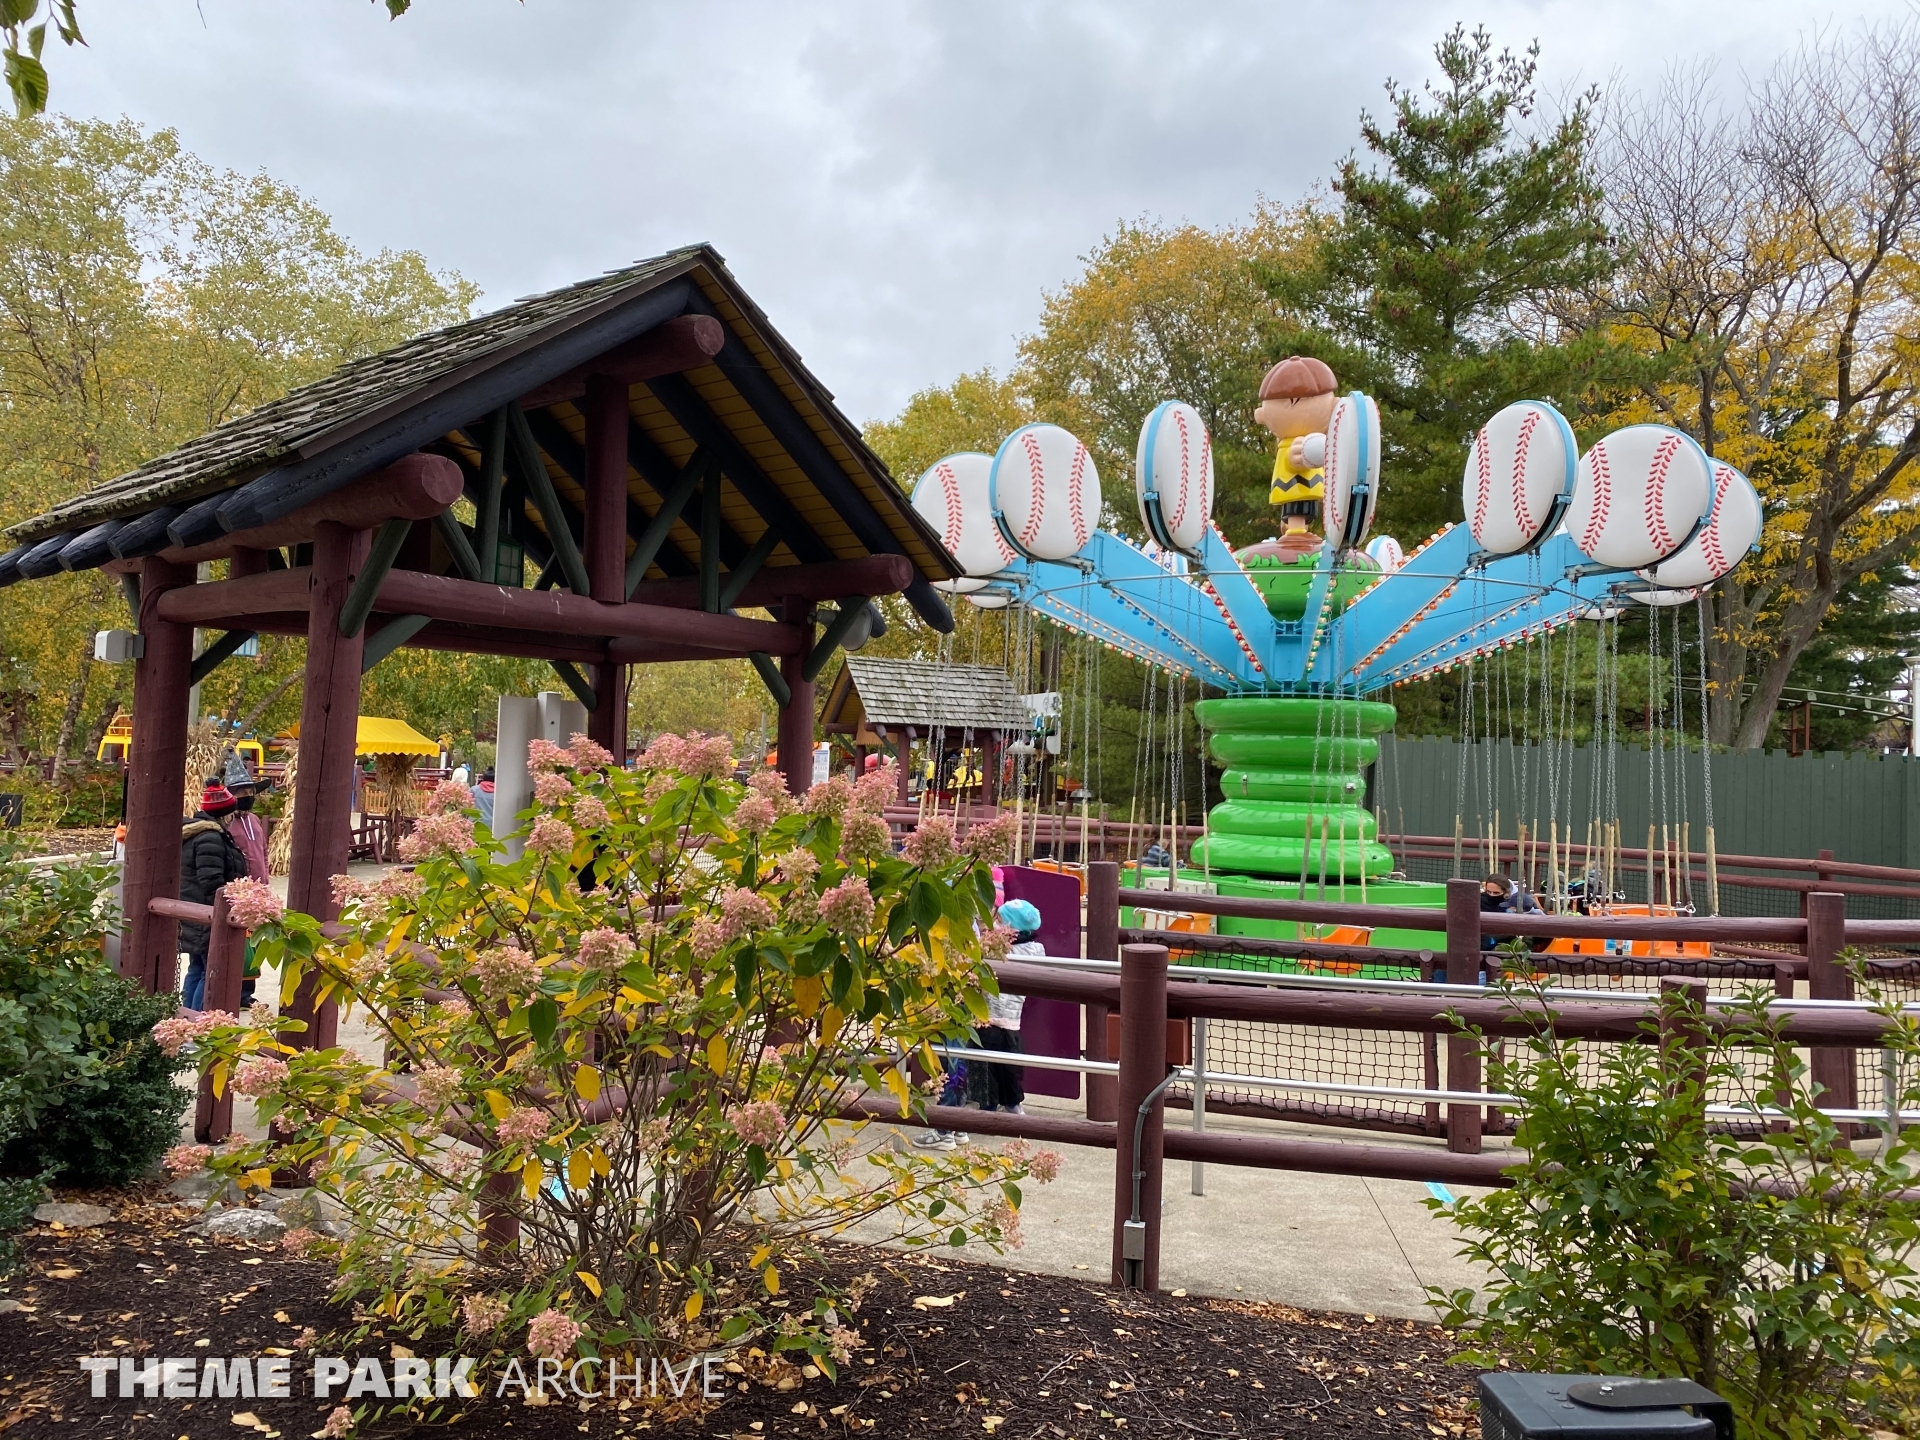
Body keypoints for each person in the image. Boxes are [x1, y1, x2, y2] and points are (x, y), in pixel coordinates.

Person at [179, 781, 249, 1011]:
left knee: (197, 968)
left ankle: (188, 1017)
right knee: (208, 971)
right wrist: (230, 901)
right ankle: (199, 1020)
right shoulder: (211, 838)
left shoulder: (197, 834)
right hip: (208, 913)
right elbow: (211, 880)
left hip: (194, 910)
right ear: (225, 814)